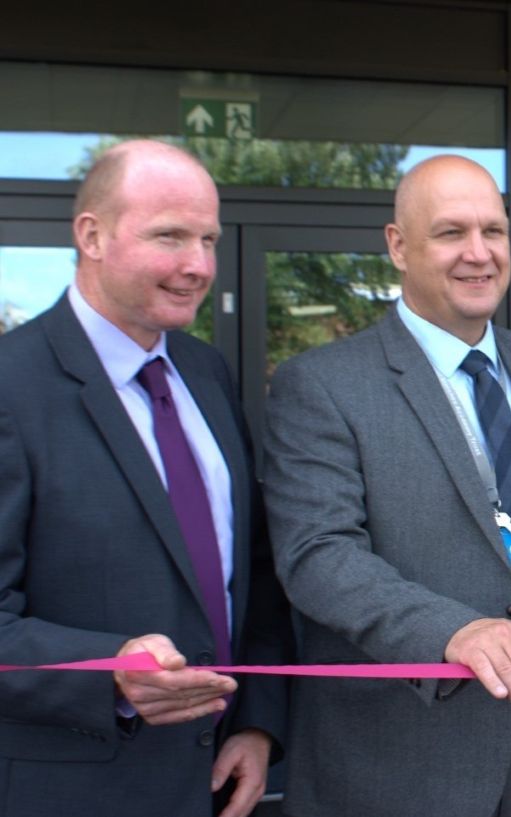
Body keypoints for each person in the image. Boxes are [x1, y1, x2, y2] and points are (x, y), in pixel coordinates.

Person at [262, 154, 511, 817]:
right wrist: (454, 631)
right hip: (398, 761)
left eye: (494, 231)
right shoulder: (323, 383)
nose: (479, 254)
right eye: (451, 232)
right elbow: (318, 557)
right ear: (398, 246)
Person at [0, 140, 292, 817]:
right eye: (170, 236)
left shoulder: (206, 372)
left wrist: (255, 721)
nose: (198, 266)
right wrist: (110, 670)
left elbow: (251, 571)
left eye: (208, 239)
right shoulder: (13, 385)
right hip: (70, 792)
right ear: (91, 236)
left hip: (216, 779)